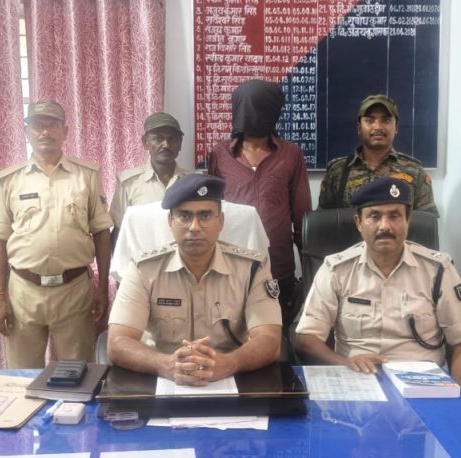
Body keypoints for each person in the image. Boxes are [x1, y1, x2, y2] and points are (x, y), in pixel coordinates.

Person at [295, 177, 461, 392]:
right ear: (358, 223)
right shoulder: (336, 270)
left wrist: (457, 399)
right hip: (358, 383)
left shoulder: (439, 270)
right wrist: (345, 362)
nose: (385, 226)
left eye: (394, 216)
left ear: (408, 220)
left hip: (424, 384)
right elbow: (306, 339)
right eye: (374, 216)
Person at [107, 174, 283, 386]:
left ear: (221, 221)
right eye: (184, 216)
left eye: (205, 215)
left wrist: (229, 363)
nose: (195, 227)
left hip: (230, 379)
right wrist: (166, 364)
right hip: (163, 381)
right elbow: (117, 342)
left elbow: (270, 340)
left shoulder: (252, 268)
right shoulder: (144, 269)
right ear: (170, 221)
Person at [0, 100, 113, 368]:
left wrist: (102, 287)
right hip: (23, 292)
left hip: (74, 291)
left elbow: (102, 233)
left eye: (52, 124)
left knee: (77, 374)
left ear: (65, 131)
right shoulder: (10, 181)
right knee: (22, 377)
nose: (45, 131)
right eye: (37, 125)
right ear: (27, 132)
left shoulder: (86, 176)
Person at [205, 79, 312, 330]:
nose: (252, 115)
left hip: (277, 269)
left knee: (275, 337)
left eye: (259, 107)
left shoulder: (291, 154)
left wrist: (307, 276)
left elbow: (302, 216)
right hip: (229, 267)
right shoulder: (220, 154)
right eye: (247, 107)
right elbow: (210, 210)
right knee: (230, 337)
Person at [317, 94, 438, 216]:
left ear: (396, 127)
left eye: (386, 120)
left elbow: (427, 223)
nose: (378, 127)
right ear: (359, 128)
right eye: (370, 120)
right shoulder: (338, 171)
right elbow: (323, 221)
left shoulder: (414, 171)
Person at [109, 112, 189, 232]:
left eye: (172, 139)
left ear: (180, 144)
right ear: (145, 142)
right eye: (158, 138)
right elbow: (119, 231)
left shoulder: (192, 182)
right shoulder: (128, 183)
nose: (166, 145)